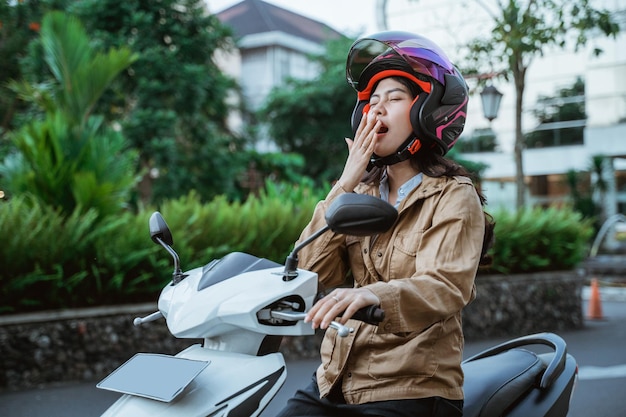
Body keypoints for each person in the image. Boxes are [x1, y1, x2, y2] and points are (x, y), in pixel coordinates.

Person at [276, 31, 495, 417]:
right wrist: (344, 184)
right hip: (336, 378)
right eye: (371, 101)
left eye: (393, 98)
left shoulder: (452, 195)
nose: (376, 110)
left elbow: (443, 285)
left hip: (413, 386)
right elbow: (308, 270)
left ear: (425, 110)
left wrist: (375, 295)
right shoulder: (359, 193)